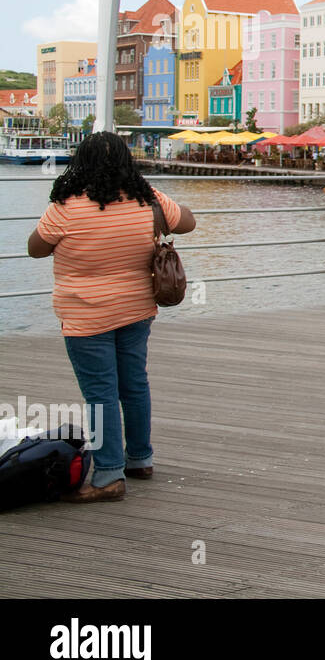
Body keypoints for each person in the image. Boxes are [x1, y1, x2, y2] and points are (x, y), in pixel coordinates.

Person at [26, 132, 197, 502]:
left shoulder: (66, 208)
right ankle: (139, 458)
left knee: (100, 394)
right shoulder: (148, 200)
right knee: (134, 384)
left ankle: (107, 476)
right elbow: (188, 223)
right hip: (137, 309)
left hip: (85, 315)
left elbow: (35, 249)